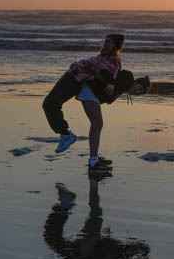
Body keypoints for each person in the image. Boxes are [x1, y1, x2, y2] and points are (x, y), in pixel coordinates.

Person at [42, 34, 150, 173]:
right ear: (137, 82)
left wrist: (109, 84)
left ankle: (91, 157)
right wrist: (109, 83)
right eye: (106, 42)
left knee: (95, 123)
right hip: (79, 81)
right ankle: (84, 152)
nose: (139, 92)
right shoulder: (120, 68)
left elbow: (104, 72)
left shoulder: (110, 61)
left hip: (79, 79)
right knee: (94, 123)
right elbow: (104, 71)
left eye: (141, 92)